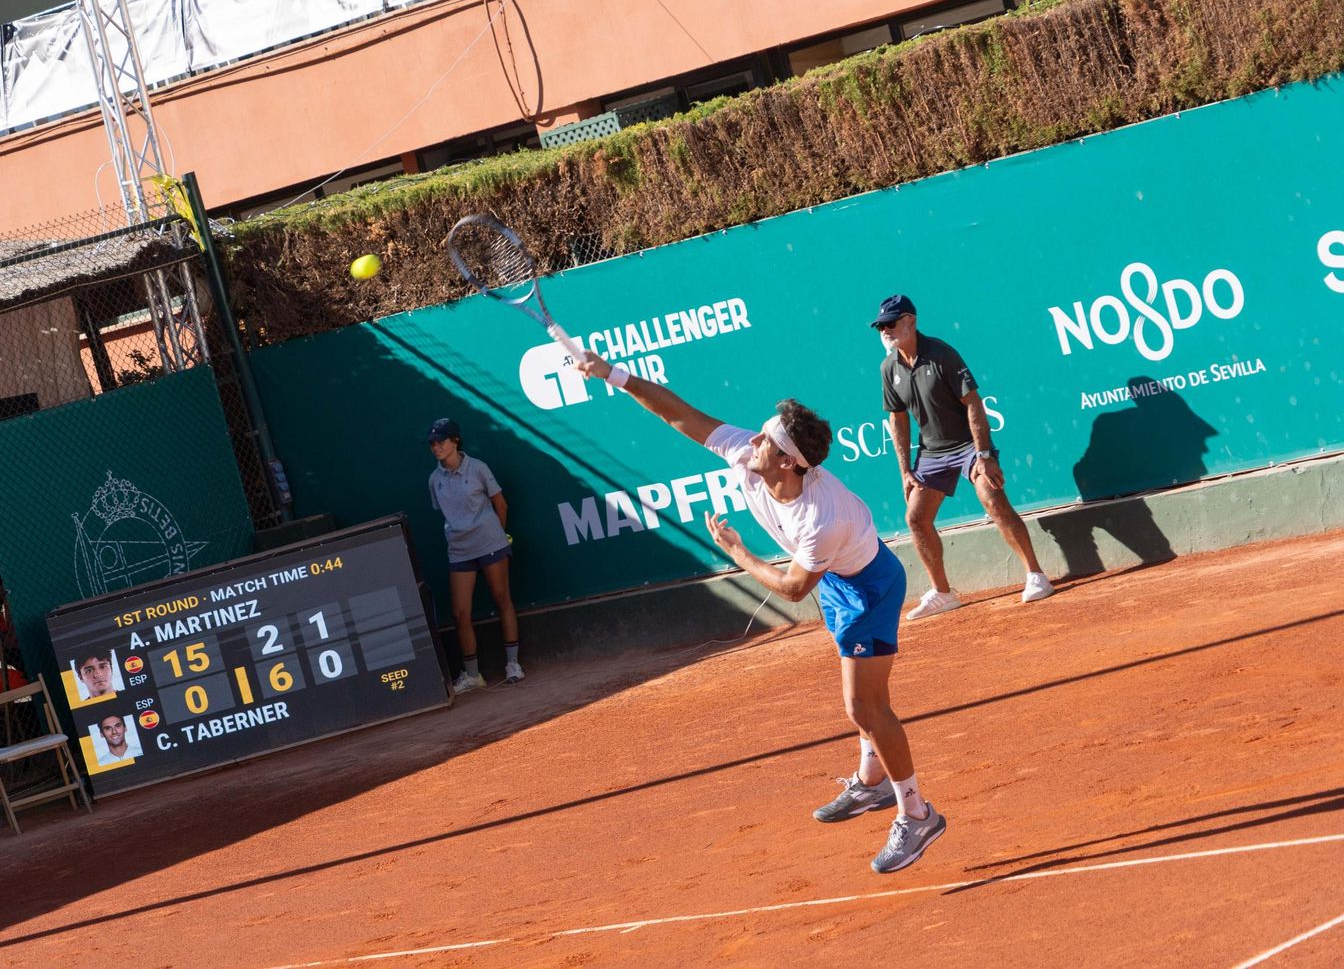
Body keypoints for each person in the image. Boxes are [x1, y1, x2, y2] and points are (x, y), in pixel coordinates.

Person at [572, 349, 946, 874]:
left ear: (791, 461)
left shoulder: (822, 516)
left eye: (767, 440)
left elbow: (794, 589)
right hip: (840, 583)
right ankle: (870, 783)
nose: (753, 440)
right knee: (864, 701)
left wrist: (740, 555)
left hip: (871, 588)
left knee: (865, 708)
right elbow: (680, 414)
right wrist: (611, 374)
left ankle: (918, 813)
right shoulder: (751, 460)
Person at [873, 294, 1053, 620]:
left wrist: (983, 454)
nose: (884, 330)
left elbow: (973, 402)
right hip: (931, 452)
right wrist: (905, 470)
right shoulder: (889, 368)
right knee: (915, 517)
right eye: (880, 326)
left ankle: (1035, 574)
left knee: (992, 497)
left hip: (968, 445)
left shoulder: (941, 354)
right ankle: (943, 593)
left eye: (890, 323)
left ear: (910, 321)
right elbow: (897, 419)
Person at [427, 418, 523, 693]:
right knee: (460, 614)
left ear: (455, 441)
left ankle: (513, 665)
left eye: (441, 442)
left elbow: (500, 504)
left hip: (491, 543)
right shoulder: (434, 480)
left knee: (502, 600)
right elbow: (448, 513)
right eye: (432, 444)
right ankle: (473, 675)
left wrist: (498, 535)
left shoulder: (478, 468)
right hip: (459, 552)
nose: (436, 448)